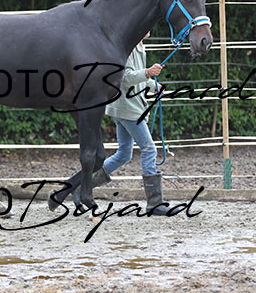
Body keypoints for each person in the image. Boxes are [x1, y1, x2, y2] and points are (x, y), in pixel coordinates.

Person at [73, 32, 178, 216]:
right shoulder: (129, 48)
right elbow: (125, 77)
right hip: (128, 109)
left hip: (123, 108)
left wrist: (153, 85)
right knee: (149, 149)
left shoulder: (139, 47)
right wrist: (147, 72)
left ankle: (81, 186)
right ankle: (154, 203)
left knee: (124, 154)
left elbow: (136, 79)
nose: (149, 29)